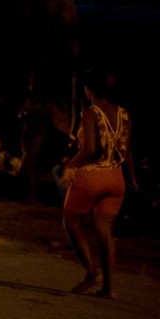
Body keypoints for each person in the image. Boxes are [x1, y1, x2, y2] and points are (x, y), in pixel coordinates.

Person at [60, 67, 136, 299]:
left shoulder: (90, 112)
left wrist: (70, 167)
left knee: (71, 222)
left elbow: (91, 149)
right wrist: (132, 177)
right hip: (116, 178)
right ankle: (108, 289)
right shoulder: (123, 113)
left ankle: (92, 272)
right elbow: (127, 149)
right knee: (104, 232)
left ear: (88, 89)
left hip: (92, 176)